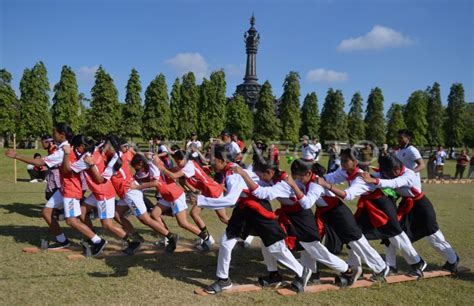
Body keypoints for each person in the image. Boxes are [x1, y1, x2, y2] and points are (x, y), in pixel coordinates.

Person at [192, 146, 311, 294]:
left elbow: (230, 200)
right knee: (226, 241)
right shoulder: (230, 170)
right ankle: (223, 280)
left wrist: (200, 200)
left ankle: (302, 271)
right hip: (244, 209)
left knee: (275, 247)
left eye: (212, 160)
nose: (210, 163)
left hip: (259, 210)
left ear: (222, 160)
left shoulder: (232, 174)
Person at [234, 158, 365, 288]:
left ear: (269, 172)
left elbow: (262, 193)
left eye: (260, 175)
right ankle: (274, 274)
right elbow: (260, 185)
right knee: (268, 239)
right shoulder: (274, 177)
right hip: (288, 216)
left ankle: (347, 270)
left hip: (302, 218)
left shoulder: (283, 184)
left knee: (316, 251)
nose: (259, 178)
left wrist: (244, 175)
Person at [319, 148, 427, 277]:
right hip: (368, 207)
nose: (342, 163)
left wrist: (327, 186)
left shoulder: (361, 178)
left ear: (355, 161)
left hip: (382, 207)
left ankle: (417, 263)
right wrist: (316, 178)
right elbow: (330, 177)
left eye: (345, 160)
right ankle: (355, 268)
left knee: (396, 236)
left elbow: (348, 195)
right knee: (355, 235)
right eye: (341, 160)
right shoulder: (345, 171)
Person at [5, 123, 106, 255]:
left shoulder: (63, 151)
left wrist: (17, 156)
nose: (53, 136)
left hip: (70, 189)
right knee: (46, 212)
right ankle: (63, 241)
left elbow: (40, 162)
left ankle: (98, 241)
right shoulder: (67, 147)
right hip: (64, 188)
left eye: (54, 133)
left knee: (71, 221)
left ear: (62, 135)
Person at [287, 159, 389, 282]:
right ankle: (312, 271)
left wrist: (293, 186)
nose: (297, 179)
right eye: (295, 177)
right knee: (313, 240)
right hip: (325, 213)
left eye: (299, 177)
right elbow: (296, 186)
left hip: (339, 213)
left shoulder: (316, 184)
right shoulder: (305, 180)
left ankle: (381, 268)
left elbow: (307, 203)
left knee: (356, 241)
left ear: (308, 173)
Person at [360, 154, 460, 273]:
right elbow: (378, 176)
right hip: (407, 207)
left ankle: (453, 260)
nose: (386, 176)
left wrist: (374, 180)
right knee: (391, 234)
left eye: (388, 173)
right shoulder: (390, 172)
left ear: (397, 169)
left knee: (434, 237)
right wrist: (361, 172)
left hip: (422, 207)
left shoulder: (409, 174)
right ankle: (391, 266)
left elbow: (394, 183)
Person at [101, 136, 178, 253]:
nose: (104, 148)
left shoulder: (114, 161)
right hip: (126, 191)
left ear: (112, 147)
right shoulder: (118, 154)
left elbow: (101, 179)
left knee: (145, 219)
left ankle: (170, 237)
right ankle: (136, 237)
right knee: (117, 214)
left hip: (130, 192)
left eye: (106, 146)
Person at [66, 135, 141, 255]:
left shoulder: (88, 158)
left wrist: (65, 156)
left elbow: (68, 170)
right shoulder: (95, 152)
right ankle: (91, 237)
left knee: (107, 224)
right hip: (98, 192)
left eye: (76, 148)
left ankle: (132, 241)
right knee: (83, 211)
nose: (76, 150)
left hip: (103, 193)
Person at [129, 154, 214, 251]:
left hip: (174, 195)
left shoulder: (152, 166)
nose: (137, 170)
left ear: (141, 163)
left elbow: (155, 183)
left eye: (137, 168)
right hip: (167, 196)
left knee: (183, 223)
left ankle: (207, 239)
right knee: (154, 214)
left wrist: (136, 187)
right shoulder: (148, 166)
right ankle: (168, 237)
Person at [155, 149, 229, 248]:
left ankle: (244, 233)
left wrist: (162, 168)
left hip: (214, 191)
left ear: (184, 159)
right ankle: (208, 239)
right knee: (194, 213)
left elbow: (174, 175)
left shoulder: (189, 166)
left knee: (223, 218)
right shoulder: (187, 164)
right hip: (207, 192)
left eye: (178, 161)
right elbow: (175, 171)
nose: (177, 163)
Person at [40, 134, 61, 200]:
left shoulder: (54, 150)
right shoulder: (51, 150)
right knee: (49, 195)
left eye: (43, 142)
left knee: (51, 195)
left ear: (48, 142)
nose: (42, 145)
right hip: (52, 175)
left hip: (57, 177)